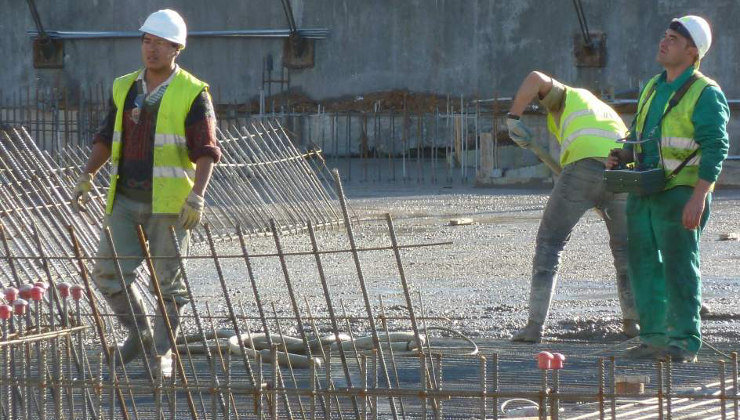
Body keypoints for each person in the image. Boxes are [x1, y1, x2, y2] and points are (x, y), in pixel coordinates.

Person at [72, 9, 221, 377]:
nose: (151, 50)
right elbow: (107, 136)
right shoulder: (125, 86)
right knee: (108, 273)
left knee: (168, 284)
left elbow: (206, 149)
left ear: (176, 49)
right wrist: (87, 174)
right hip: (125, 199)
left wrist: (197, 195)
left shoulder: (192, 92)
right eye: (146, 41)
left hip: (169, 204)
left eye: (160, 44)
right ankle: (138, 332)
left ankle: (162, 352)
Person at [607, 16, 729, 363]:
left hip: (680, 191)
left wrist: (699, 196)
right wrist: (623, 154)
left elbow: (715, 147)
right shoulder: (653, 87)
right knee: (643, 264)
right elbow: (640, 135)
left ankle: (685, 341)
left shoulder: (705, 92)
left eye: (673, 39)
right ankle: (654, 337)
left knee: (678, 265)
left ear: (692, 51)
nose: (664, 42)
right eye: (665, 36)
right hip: (645, 189)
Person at [507, 71, 638, 343]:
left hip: (584, 167)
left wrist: (513, 118)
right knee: (626, 251)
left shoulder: (568, 96)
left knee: (550, 243)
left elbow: (533, 77)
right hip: (621, 170)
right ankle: (632, 323)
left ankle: (534, 327)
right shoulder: (603, 112)